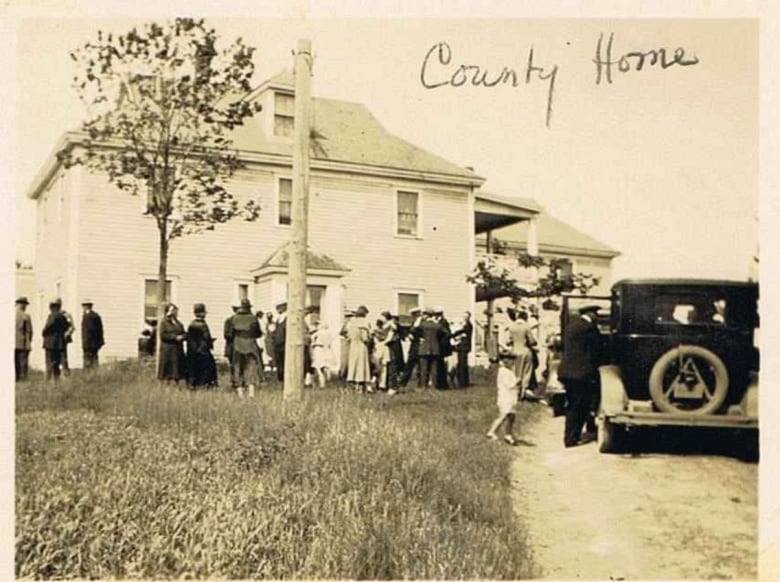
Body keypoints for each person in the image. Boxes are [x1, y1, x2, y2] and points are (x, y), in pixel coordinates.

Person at [557, 304, 603, 448]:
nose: (598, 317)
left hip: (567, 372)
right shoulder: (589, 329)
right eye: (596, 314)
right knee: (581, 406)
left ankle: (570, 437)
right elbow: (597, 349)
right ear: (590, 314)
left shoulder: (571, 327)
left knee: (572, 404)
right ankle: (572, 437)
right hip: (582, 374)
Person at [229, 298, 262, 397]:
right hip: (250, 344)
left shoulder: (233, 318)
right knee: (252, 367)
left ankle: (240, 393)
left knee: (238, 367)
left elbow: (230, 334)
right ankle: (251, 392)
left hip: (238, 343)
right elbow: (257, 333)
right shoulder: (253, 318)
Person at [486, 352, 521, 445]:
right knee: (503, 415)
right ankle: (492, 431)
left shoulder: (509, 371)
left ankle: (508, 434)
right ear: (504, 360)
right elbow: (509, 385)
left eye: (513, 360)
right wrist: (517, 381)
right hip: (505, 397)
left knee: (512, 416)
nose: (512, 362)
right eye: (509, 360)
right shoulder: (503, 371)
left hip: (510, 397)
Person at [505, 309, 538, 400]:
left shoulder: (512, 326)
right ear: (525, 318)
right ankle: (523, 392)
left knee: (516, 371)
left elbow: (508, 341)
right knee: (526, 372)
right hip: (525, 351)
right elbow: (532, 341)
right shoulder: (526, 327)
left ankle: (516, 391)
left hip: (515, 351)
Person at [186, 303, 218, 389]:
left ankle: (193, 384)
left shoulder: (191, 324)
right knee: (207, 369)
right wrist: (210, 342)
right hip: (202, 351)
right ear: (201, 313)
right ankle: (205, 385)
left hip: (192, 351)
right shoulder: (202, 325)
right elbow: (206, 337)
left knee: (193, 370)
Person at [158, 303, 187, 385]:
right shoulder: (164, 322)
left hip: (177, 349)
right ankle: (166, 383)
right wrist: (174, 337)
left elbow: (183, 332)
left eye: (175, 311)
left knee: (177, 368)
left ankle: (176, 383)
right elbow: (163, 335)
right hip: (168, 349)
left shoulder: (178, 323)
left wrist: (183, 336)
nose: (174, 312)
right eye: (172, 310)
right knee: (167, 368)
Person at [42, 298, 69, 382]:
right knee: (57, 363)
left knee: (49, 362)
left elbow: (47, 328)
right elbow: (67, 327)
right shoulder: (63, 316)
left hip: (50, 343)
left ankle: (48, 380)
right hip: (60, 343)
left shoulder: (52, 316)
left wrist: (44, 332)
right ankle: (56, 380)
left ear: (52, 306)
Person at [346, 305, 372, 392]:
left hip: (353, 345)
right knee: (361, 364)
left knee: (353, 364)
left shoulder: (351, 322)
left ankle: (351, 383)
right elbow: (365, 337)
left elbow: (348, 336)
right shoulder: (364, 323)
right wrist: (368, 340)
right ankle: (359, 384)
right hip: (361, 345)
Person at [418, 308, 443, 389]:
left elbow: (413, 330)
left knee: (423, 369)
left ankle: (423, 386)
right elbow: (447, 333)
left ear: (426, 315)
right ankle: (434, 386)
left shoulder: (422, 324)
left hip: (424, 348)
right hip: (435, 348)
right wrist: (438, 339)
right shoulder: (437, 325)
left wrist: (421, 338)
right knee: (434, 369)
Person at [399, 307, 423, 388]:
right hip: (414, 345)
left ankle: (421, 383)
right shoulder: (414, 322)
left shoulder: (421, 322)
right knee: (409, 364)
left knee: (420, 366)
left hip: (419, 345)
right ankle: (403, 382)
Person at [80, 299, 104, 370]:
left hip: (89, 343)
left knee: (88, 361)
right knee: (94, 359)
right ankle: (94, 373)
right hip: (95, 343)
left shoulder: (88, 317)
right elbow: (100, 330)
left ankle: (88, 375)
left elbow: (89, 331)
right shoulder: (96, 316)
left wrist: (85, 343)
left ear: (86, 306)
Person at [310, 322, 335, 388]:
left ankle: (321, 382)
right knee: (325, 365)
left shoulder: (318, 333)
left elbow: (312, 339)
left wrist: (313, 344)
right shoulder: (329, 334)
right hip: (327, 350)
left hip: (318, 349)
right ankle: (326, 378)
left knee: (318, 366)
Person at [15, 296, 33, 381]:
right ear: (22, 305)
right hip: (23, 344)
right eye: (25, 305)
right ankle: (23, 380)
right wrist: (29, 343)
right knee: (23, 364)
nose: (25, 307)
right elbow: (29, 331)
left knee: (14, 364)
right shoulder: (26, 316)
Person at [454, 311, 473, 388]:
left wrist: (454, 334)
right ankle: (463, 381)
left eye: (466, 316)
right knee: (462, 364)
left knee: (462, 365)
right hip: (463, 347)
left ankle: (463, 382)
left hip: (464, 347)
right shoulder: (466, 325)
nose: (464, 318)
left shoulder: (468, 325)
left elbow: (461, 332)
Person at [271, 302, 287, 382]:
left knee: (284, 360)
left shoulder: (287, 318)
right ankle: (280, 376)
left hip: (284, 343)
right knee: (279, 360)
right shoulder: (278, 319)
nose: (278, 310)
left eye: (279, 308)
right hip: (277, 343)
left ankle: (284, 377)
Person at [224, 305, 238, 386]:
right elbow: (227, 335)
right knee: (233, 364)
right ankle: (234, 381)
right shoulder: (229, 321)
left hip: (240, 346)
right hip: (232, 346)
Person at [60, 307, 75, 376]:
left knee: (63, 356)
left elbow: (72, 327)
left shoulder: (66, 315)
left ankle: (65, 373)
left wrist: (66, 334)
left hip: (63, 339)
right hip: (55, 339)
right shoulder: (54, 314)